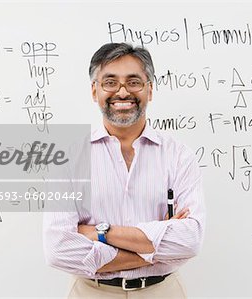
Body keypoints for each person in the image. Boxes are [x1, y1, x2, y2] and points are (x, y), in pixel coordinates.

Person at [43, 42, 205, 298]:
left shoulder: (178, 155)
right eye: (110, 82)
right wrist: (154, 250)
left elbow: (189, 240)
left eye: (133, 82)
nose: (122, 92)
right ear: (94, 91)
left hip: (162, 291)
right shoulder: (68, 159)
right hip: (91, 292)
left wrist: (99, 233)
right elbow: (58, 250)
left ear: (149, 90)